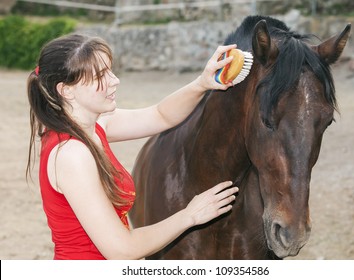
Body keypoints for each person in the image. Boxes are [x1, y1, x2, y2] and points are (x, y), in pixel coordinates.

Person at [26, 33, 239, 260]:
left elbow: (161, 116)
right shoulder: (71, 154)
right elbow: (122, 250)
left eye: (110, 70)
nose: (114, 80)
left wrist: (201, 83)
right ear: (66, 90)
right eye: (100, 75)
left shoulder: (94, 124)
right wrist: (190, 215)